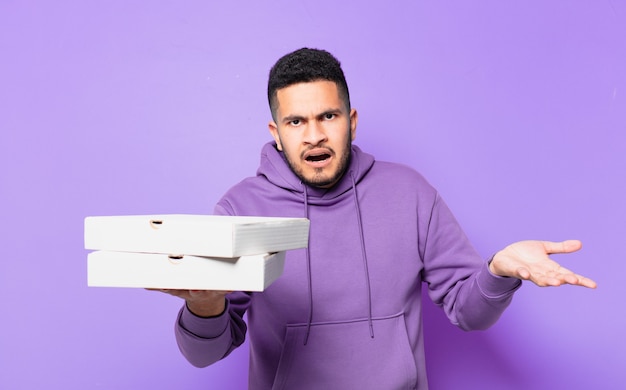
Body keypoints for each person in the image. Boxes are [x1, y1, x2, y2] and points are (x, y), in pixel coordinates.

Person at [158, 48, 596, 390]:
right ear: (276, 133)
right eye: (296, 121)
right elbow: (204, 354)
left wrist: (498, 269)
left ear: (350, 120)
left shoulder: (409, 192)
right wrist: (203, 304)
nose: (314, 135)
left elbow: (469, 312)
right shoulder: (241, 209)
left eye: (327, 116)